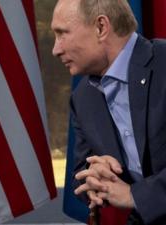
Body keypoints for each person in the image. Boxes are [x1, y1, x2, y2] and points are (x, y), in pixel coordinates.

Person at [51, 0, 166, 224]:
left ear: (101, 27)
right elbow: (79, 176)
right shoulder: (83, 97)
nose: (56, 49)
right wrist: (96, 175)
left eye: (62, 33)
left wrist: (136, 196)